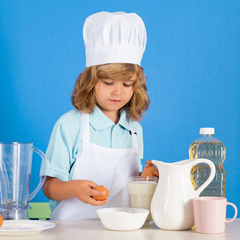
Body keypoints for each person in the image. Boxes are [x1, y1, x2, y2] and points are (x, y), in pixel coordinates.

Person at [41, 11, 156, 220]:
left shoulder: (134, 130)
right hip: (71, 230)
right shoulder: (70, 125)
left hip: (120, 229)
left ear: (136, 86)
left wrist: (144, 178)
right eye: (108, 82)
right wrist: (75, 189)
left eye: (127, 84)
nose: (118, 92)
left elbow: (127, 188)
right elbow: (49, 187)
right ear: (90, 81)